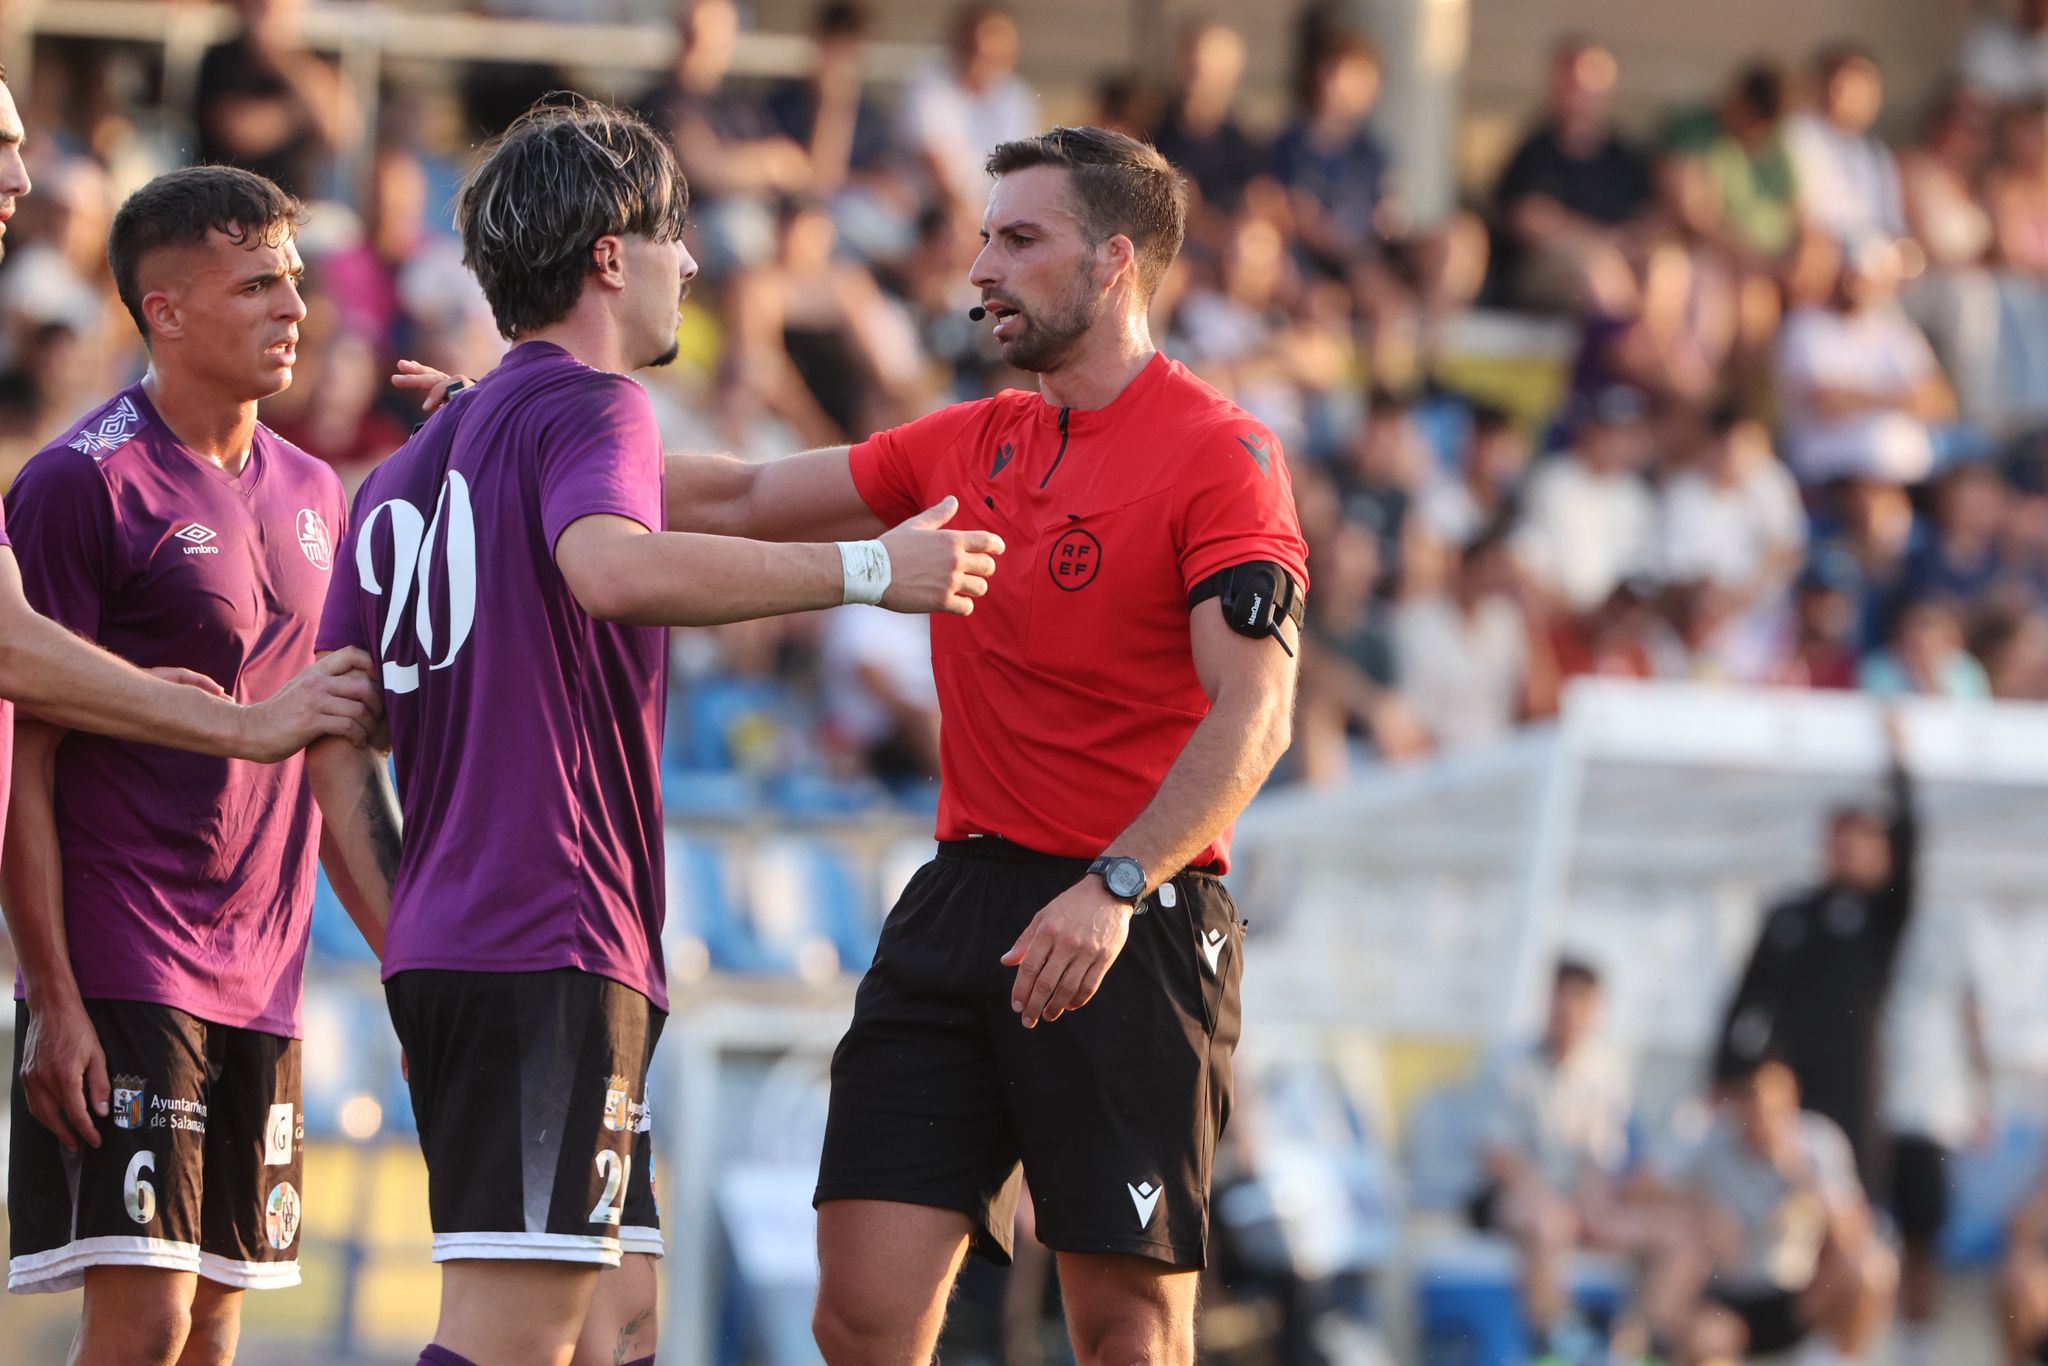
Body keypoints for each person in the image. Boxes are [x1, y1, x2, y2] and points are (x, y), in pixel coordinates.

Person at [312, 98, 1001, 1366]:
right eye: (678, 236)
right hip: (546, 929)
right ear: (612, 254)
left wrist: (411, 936)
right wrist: (869, 574)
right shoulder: (596, 410)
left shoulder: (412, 467)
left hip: (486, 938)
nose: (695, 264)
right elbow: (614, 572)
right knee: (512, 1336)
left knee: (622, 1321)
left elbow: (335, 743)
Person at [647, 124, 1304, 1365]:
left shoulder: (1222, 456)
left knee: (1123, 1329)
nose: (979, 268)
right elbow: (736, 496)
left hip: (1132, 912)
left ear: (1113, 262)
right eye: (981, 237)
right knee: (859, 1314)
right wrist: (527, 426)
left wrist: (1114, 884)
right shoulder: (967, 439)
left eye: (1017, 238)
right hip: (961, 900)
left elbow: (1254, 712)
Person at [2, 163, 383, 1364]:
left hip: (263, 965)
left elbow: (326, 745)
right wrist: (51, 998)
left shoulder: (319, 488)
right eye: (258, 283)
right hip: (125, 950)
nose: (294, 310)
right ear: (164, 311)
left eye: (296, 279)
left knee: (216, 1317)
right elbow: (25, 750)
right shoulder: (79, 483)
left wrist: (405, 954)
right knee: (146, 1314)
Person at [1715, 711, 1916, 1190]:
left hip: (1850, 1081)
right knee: (1778, 1193)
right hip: (1785, 1082)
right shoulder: (1789, 913)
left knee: (1845, 1195)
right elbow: (1745, 998)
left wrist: (1901, 769)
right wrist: (1727, 1072)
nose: (1847, 852)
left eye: (1860, 843)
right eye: (1840, 840)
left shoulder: (1879, 918)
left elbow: (1911, 857)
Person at [1663, 1055, 1898, 1365]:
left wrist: (1804, 1178)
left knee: (1874, 1269)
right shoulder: (1711, 1143)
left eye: (1773, 1110)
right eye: (1755, 1106)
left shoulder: (1818, 1143)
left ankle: (1835, 1359)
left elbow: (1856, 1230)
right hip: (1733, 1298)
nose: (1763, 1119)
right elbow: (1651, 1190)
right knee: (1702, 1340)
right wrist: (1701, 1210)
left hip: (1799, 1296)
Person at [1468, 958, 1634, 1364]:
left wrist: (1591, 1202)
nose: (1567, 1011)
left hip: (1570, 1196)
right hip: (1509, 1194)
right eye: (1560, 998)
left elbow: (1602, 1158)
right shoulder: (1508, 1061)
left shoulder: (1608, 1071)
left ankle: (1633, 1343)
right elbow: (1497, 1156)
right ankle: (1554, 1343)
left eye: (1579, 1000)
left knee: (1660, 1233)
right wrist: (1550, 1198)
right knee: (1547, 1224)